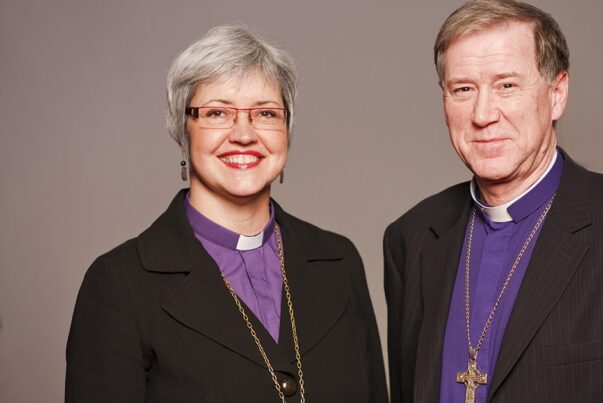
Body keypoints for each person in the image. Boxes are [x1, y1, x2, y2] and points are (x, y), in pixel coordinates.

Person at [384, 1, 603, 402]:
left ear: (557, 94)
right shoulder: (411, 238)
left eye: (507, 85)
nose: (483, 113)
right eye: (463, 89)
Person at [66, 24, 386, 402]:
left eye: (265, 113)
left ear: (286, 129)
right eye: (218, 113)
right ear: (183, 131)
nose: (244, 134)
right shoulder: (120, 283)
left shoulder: (339, 261)